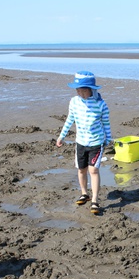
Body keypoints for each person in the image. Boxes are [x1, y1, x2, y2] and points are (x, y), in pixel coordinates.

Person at [56, 71, 112, 215]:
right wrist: (61, 136)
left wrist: (108, 139)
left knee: (93, 170)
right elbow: (70, 119)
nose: (80, 93)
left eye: (83, 90)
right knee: (81, 170)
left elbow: (106, 123)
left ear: (91, 89)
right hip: (80, 142)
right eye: (78, 90)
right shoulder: (74, 102)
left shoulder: (101, 104)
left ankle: (94, 200)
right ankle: (84, 193)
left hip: (96, 142)